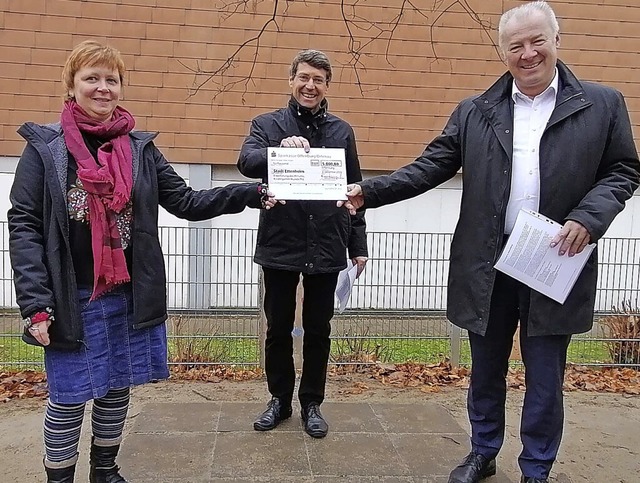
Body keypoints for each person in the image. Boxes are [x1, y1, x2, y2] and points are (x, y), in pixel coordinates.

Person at [340, 2, 639, 482]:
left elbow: (623, 170)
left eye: (537, 40)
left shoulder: (603, 104)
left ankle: (536, 467)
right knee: (485, 370)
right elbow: (430, 165)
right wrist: (368, 191)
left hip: (554, 258)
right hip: (489, 262)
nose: (528, 53)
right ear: (502, 53)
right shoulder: (476, 111)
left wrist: (589, 216)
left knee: (545, 376)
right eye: (515, 46)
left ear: (556, 40)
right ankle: (483, 451)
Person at [8, 40, 276, 483]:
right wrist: (35, 303)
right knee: (70, 396)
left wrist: (251, 193)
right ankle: (59, 477)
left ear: (120, 88)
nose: (102, 88)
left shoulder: (139, 149)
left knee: (116, 387)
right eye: (91, 78)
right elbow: (25, 229)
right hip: (70, 297)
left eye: (111, 80)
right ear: (71, 86)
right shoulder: (45, 150)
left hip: (127, 293)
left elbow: (187, 200)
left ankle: (104, 471)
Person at [237, 49, 368, 438]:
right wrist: (278, 152)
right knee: (277, 327)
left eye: (319, 80)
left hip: (327, 242)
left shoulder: (342, 132)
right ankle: (279, 399)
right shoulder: (267, 124)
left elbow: (353, 193)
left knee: (317, 328)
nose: (310, 86)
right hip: (280, 241)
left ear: (327, 86)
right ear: (292, 80)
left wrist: (357, 244)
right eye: (304, 78)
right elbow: (246, 161)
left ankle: (312, 403)